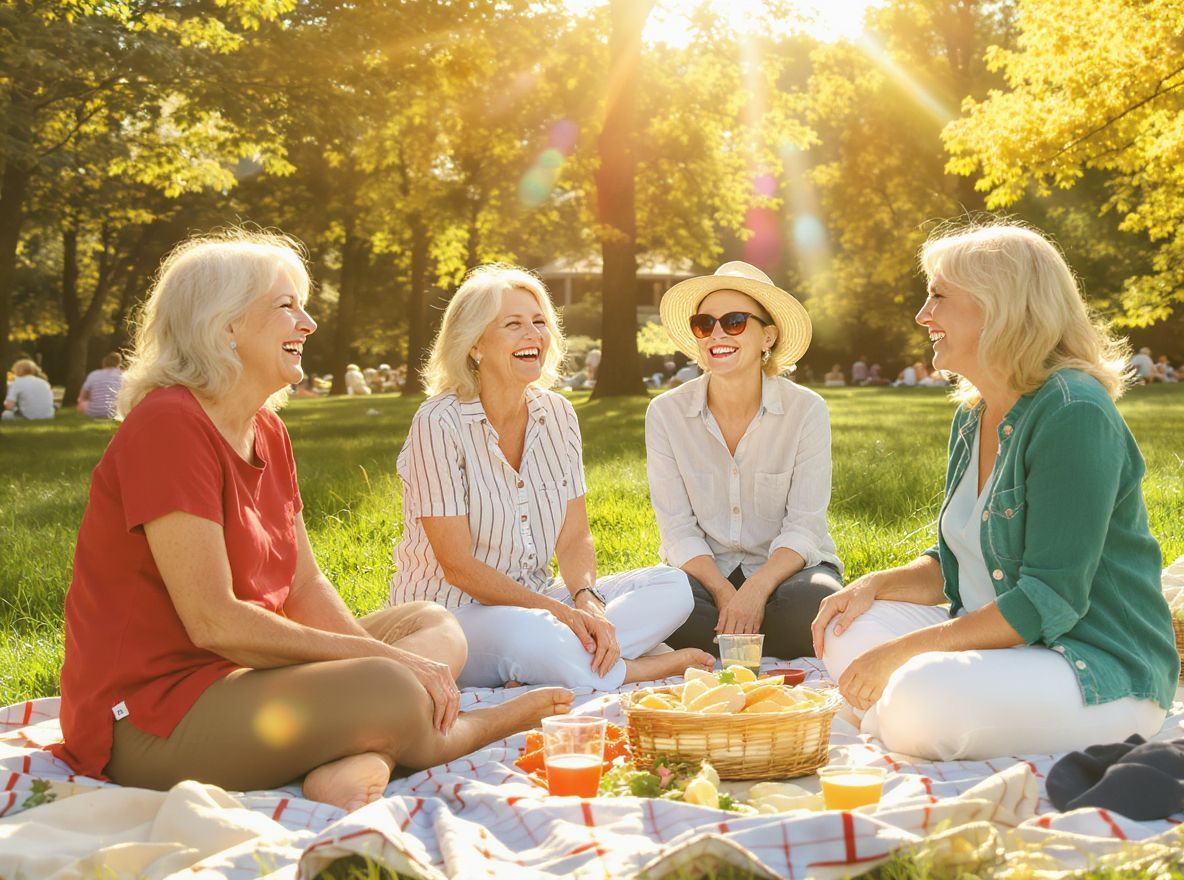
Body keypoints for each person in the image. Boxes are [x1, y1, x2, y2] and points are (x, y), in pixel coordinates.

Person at [51, 231, 570, 812]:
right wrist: (383, 664)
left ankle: (360, 757)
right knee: (393, 686)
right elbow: (213, 622)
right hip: (152, 718)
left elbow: (303, 586)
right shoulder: (168, 426)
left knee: (433, 623)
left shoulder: (266, 429)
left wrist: (380, 655)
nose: (308, 323)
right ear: (224, 326)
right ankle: (469, 729)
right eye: (285, 306)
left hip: (244, 674)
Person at [812, 222, 1175, 761]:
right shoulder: (976, 414)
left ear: (998, 304)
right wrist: (869, 586)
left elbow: (1047, 599)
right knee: (846, 627)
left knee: (921, 695)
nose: (922, 315)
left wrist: (901, 656)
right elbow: (959, 561)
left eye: (937, 296)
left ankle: (891, 711)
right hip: (1004, 645)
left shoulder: (1074, 412)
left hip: (1091, 667)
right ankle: (897, 709)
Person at [392, 265, 711, 690]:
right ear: (474, 345)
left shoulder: (557, 413)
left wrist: (586, 600)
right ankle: (636, 667)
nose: (533, 335)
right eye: (513, 325)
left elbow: (575, 537)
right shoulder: (439, 421)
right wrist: (557, 613)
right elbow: (459, 568)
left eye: (539, 322)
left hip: (538, 600)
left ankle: (568, 660)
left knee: (674, 587)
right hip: (453, 613)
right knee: (537, 636)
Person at [646, 262, 843, 660]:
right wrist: (723, 592)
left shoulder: (806, 410)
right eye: (704, 324)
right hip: (705, 574)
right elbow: (678, 529)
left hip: (787, 573)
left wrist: (755, 592)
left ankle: (734, 640)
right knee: (658, 604)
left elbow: (805, 527)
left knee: (815, 603)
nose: (717, 334)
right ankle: (751, 637)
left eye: (734, 322)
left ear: (767, 335)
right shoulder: (665, 413)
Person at [77, 352, 125, 418]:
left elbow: (82, 396)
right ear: (118, 364)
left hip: (94, 413)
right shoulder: (122, 375)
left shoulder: (94, 374)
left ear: (104, 363)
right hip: (115, 413)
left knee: (82, 402)